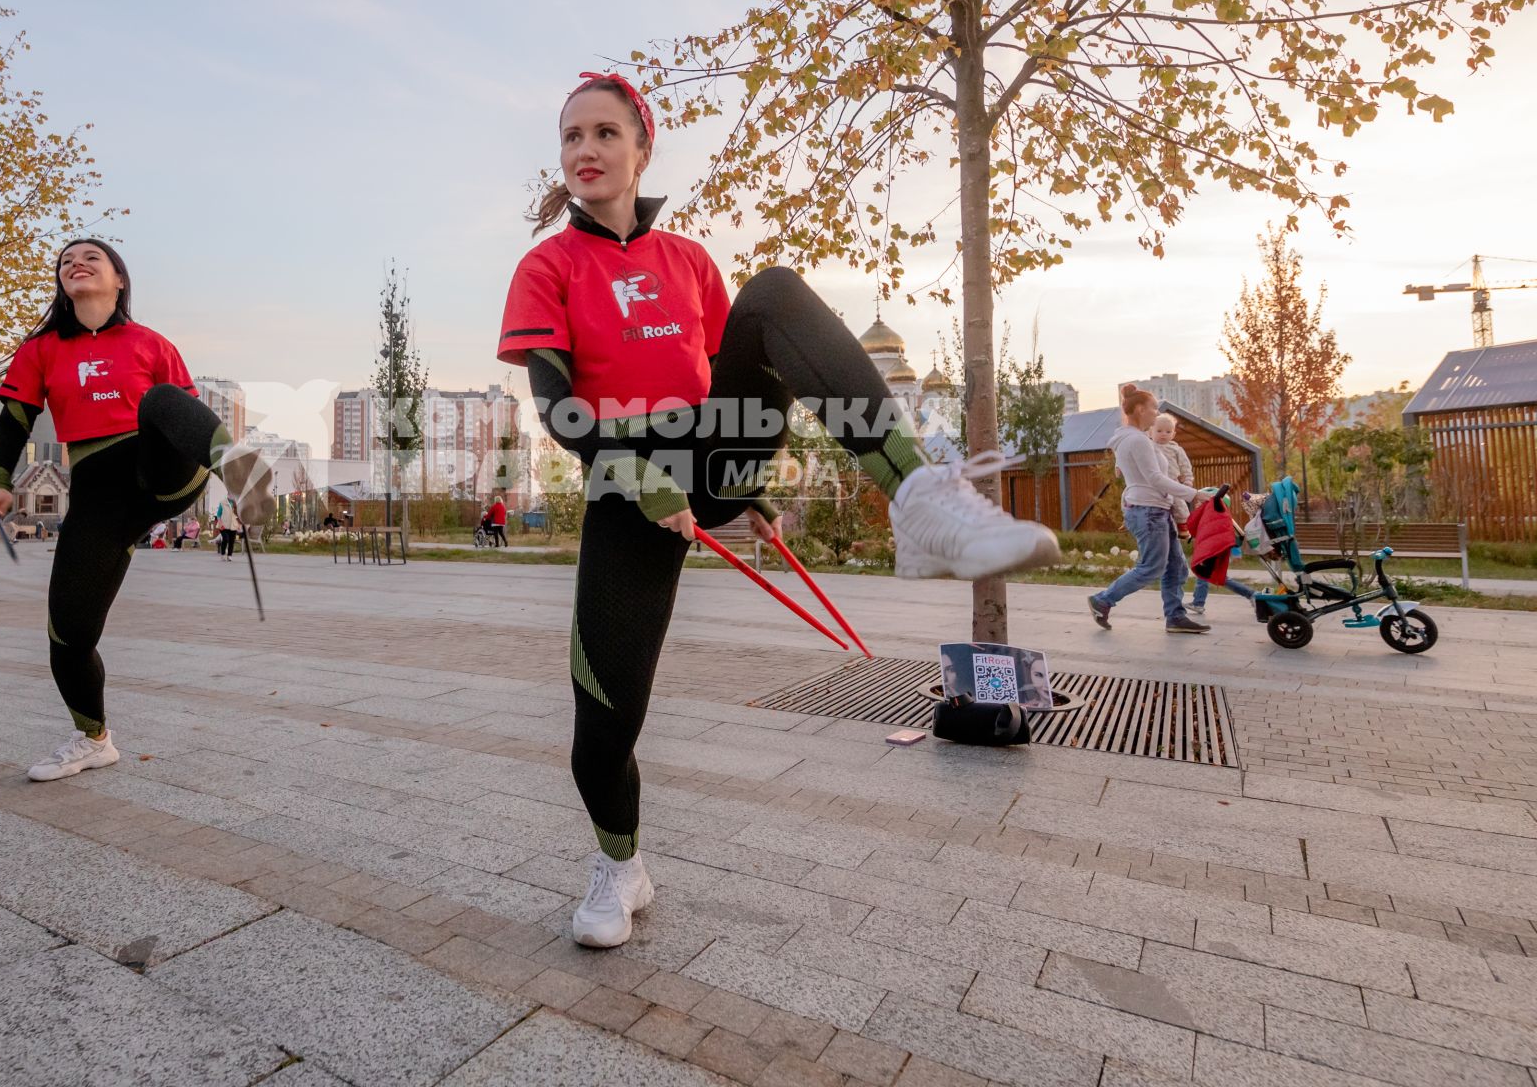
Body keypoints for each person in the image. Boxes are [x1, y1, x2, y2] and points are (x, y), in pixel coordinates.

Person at [498, 71, 1059, 950]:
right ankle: (621, 866)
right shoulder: (548, 266)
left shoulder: (687, 262)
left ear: (641, 149)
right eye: (571, 137)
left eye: (605, 133)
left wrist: (744, 491)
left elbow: (743, 372)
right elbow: (557, 405)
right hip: (622, 484)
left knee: (775, 295)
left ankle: (918, 493)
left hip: (711, 453)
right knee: (601, 732)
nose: (585, 151)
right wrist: (642, 481)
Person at [0, 238, 273, 783]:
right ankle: (93, 740)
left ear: (119, 279)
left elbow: (182, 410)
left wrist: (223, 466)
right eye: (66, 262)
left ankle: (240, 468)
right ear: (61, 284)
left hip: (159, 473)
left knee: (161, 400)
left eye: (91, 258)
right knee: (68, 636)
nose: (76, 265)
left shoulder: (150, 343)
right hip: (98, 498)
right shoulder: (41, 350)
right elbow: (14, 423)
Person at [1086, 386, 1212, 635]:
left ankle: (1175, 617)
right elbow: (1155, 478)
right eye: (1154, 408)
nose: (1157, 413)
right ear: (1141, 409)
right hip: (1148, 511)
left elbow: (1145, 475)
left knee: (1176, 567)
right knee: (1152, 567)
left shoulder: (1135, 439)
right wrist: (1193, 494)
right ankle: (1103, 600)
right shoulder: (1136, 440)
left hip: (1155, 510)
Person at [1151, 414, 1254, 615]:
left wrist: (1187, 486)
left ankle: (1251, 595)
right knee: (1207, 574)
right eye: (1159, 431)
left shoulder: (1176, 450)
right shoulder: (1149, 447)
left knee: (1212, 575)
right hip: (1165, 491)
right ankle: (1202, 601)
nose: (1163, 435)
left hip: (1207, 547)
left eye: (1168, 431)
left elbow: (1186, 469)